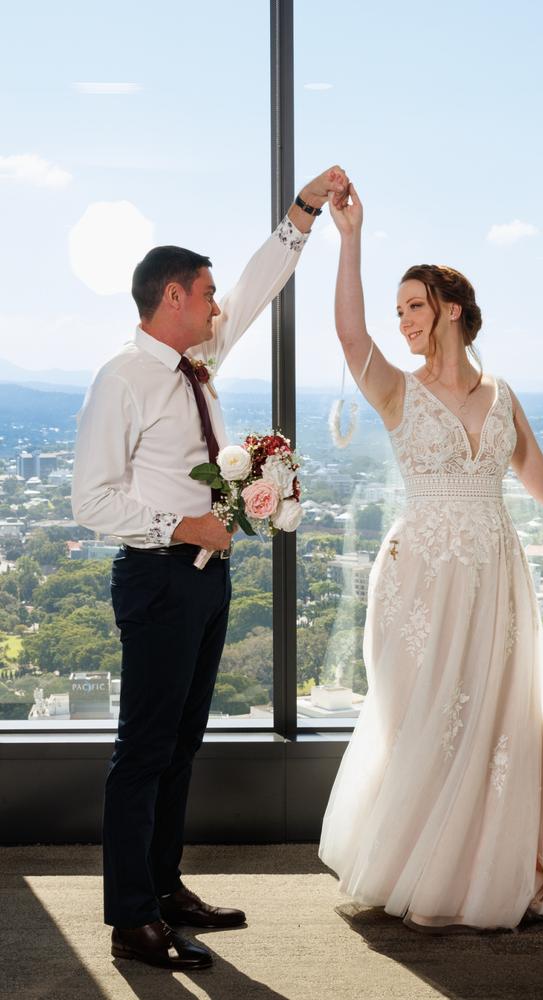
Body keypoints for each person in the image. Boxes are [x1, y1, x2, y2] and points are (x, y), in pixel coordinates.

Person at [318, 182, 543, 936]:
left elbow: (540, 480)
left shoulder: (501, 395)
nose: (400, 321)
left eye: (413, 307)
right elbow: (346, 336)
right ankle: (421, 867)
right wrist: (350, 238)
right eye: (398, 309)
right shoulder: (397, 392)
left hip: (497, 576)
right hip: (420, 581)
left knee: (496, 720)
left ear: (452, 311)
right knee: (427, 718)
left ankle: (480, 871)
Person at [72, 165, 350, 971]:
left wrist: (302, 213)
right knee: (143, 752)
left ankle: (165, 889)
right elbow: (91, 501)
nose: (219, 304)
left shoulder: (197, 361)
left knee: (182, 744)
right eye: (207, 292)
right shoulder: (121, 380)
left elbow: (259, 288)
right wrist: (181, 521)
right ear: (172, 300)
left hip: (203, 578)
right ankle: (132, 921)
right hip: (157, 578)